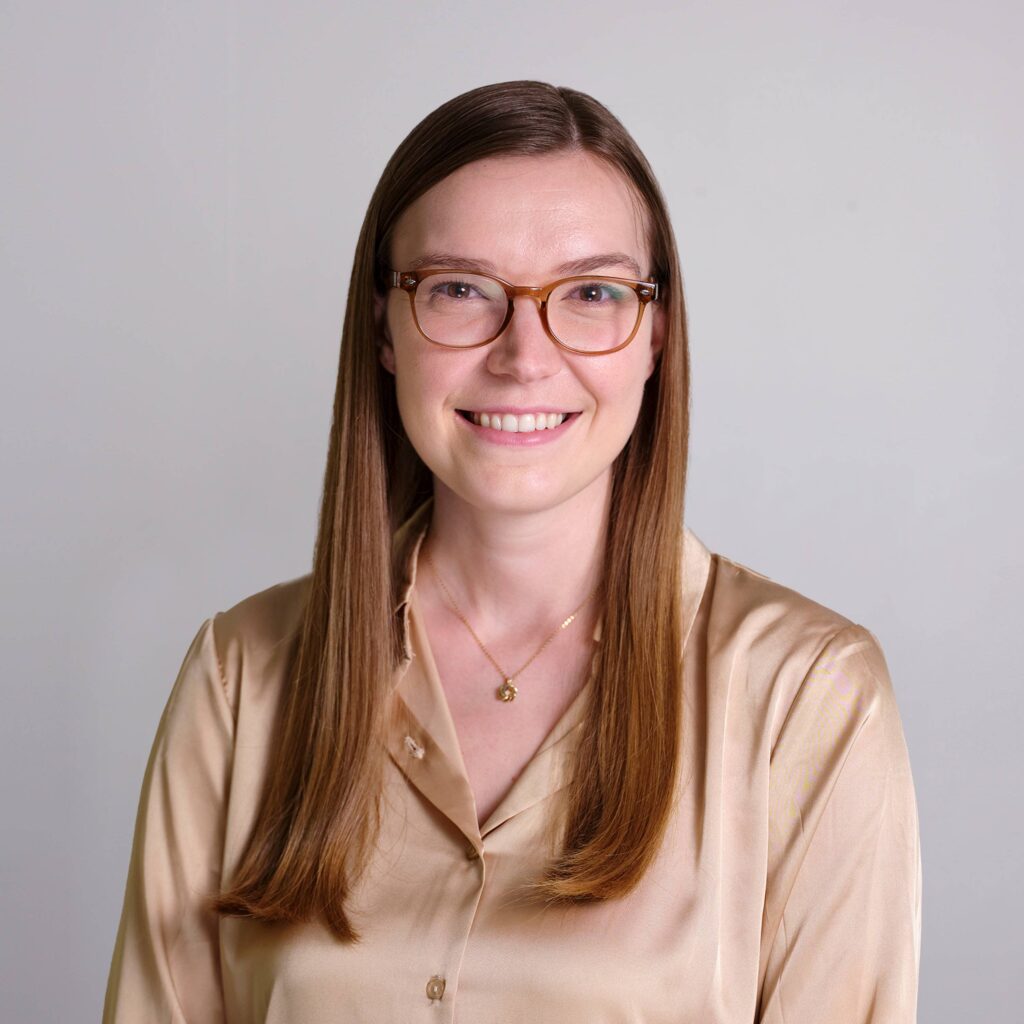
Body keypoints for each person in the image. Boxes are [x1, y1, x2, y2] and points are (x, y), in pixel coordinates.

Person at [103, 80, 922, 1022]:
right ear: (383, 329)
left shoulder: (809, 698)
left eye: (591, 293)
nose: (524, 355)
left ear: (656, 334)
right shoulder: (241, 678)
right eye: (459, 289)